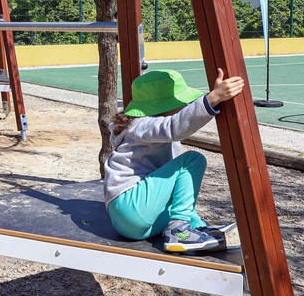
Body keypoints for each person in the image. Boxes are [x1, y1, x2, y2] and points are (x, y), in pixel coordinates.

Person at [103, 68, 245, 253]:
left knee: (180, 182)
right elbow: (175, 126)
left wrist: (198, 222)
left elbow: (175, 188)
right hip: (131, 203)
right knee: (193, 160)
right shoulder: (142, 126)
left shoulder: (156, 133)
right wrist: (213, 99)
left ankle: (194, 227)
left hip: (135, 220)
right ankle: (179, 230)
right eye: (180, 101)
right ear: (161, 105)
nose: (185, 104)